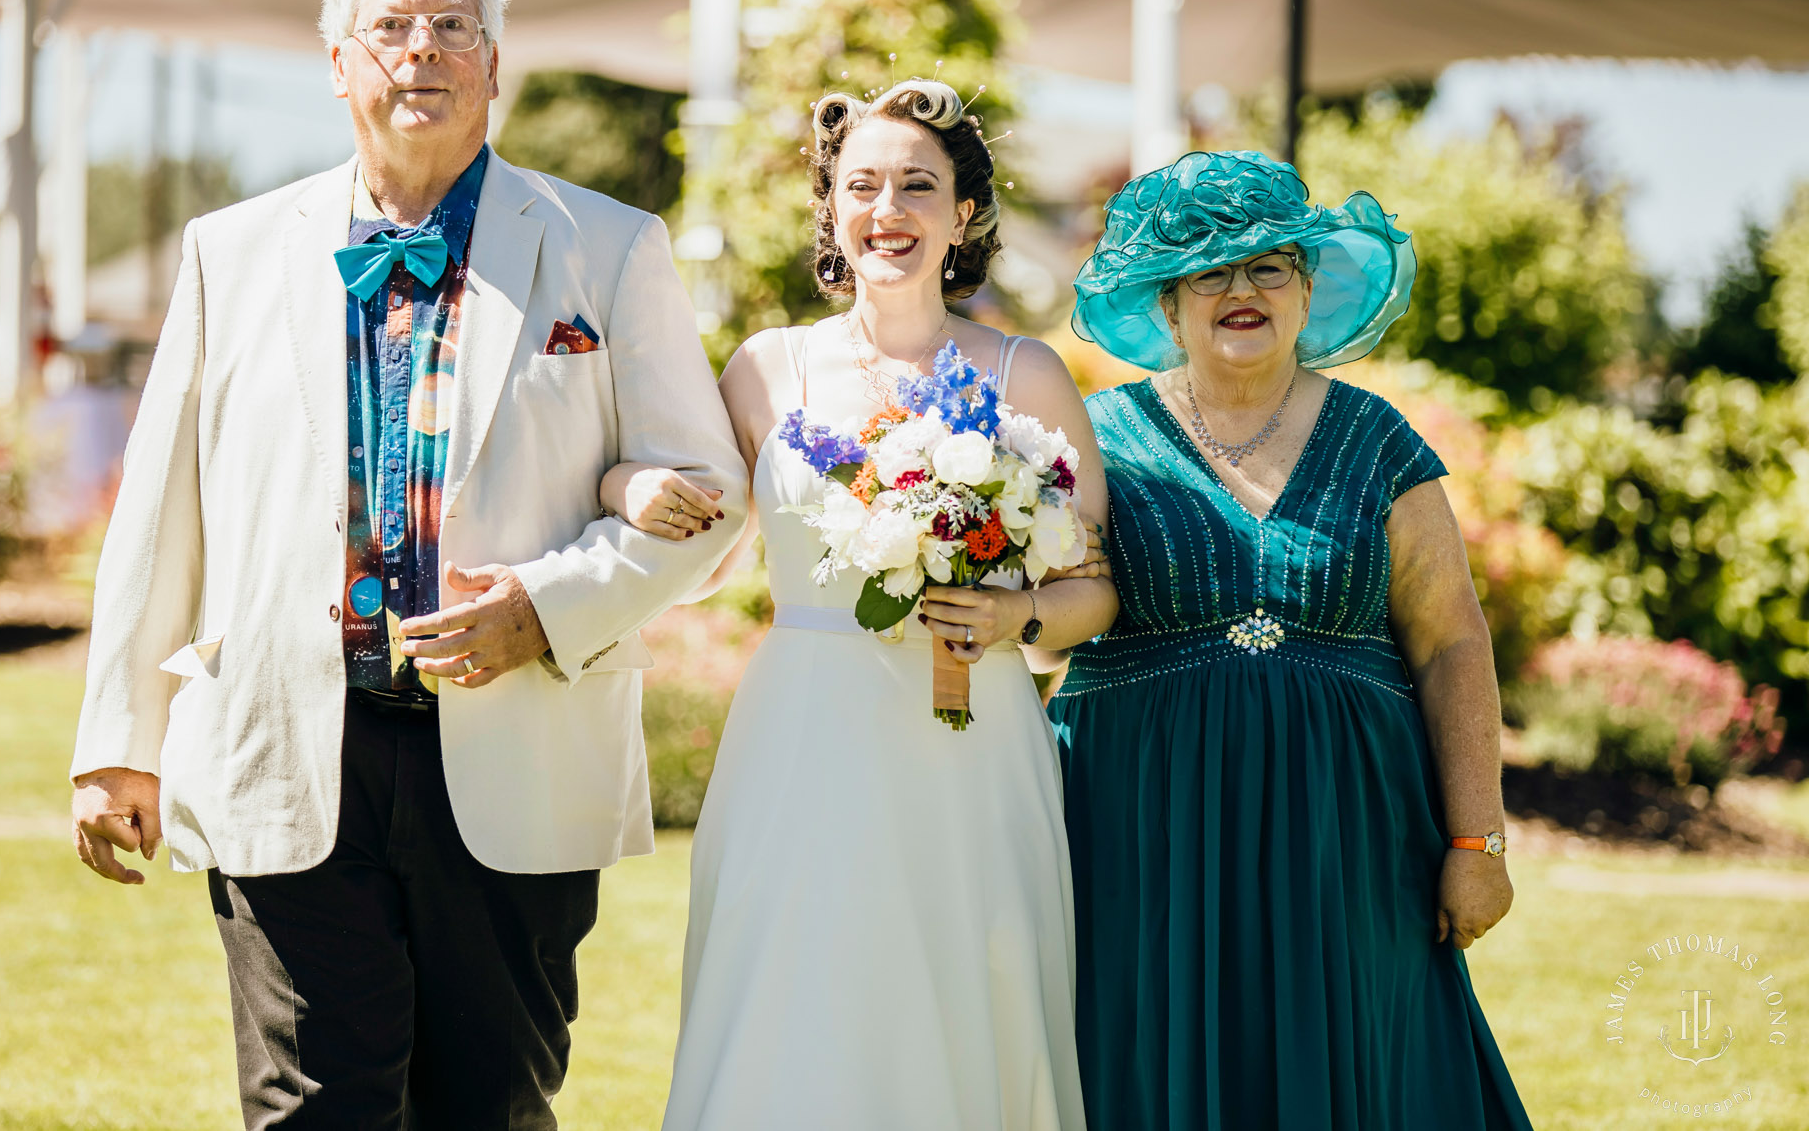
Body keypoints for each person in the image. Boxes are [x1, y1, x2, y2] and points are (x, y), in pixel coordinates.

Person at [67, 0, 746, 1131]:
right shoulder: (230, 253)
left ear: (495, 64)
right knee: (309, 1112)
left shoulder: (608, 246)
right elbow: (160, 512)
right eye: (388, 27)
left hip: (518, 747)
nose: (419, 51)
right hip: (286, 741)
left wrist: (545, 611)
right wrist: (121, 737)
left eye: (450, 27)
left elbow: (707, 496)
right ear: (337, 63)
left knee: (485, 1109)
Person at [602, 80, 1117, 1130]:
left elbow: (1091, 588)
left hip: (971, 741)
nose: (888, 208)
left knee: (969, 983)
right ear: (832, 210)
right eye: (863, 185)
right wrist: (625, 490)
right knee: (798, 990)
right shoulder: (766, 367)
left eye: (917, 186)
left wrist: (1016, 619)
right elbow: (668, 488)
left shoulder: (1027, 375)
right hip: (804, 734)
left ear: (962, 215)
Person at [1047, 150, 1533, 1130]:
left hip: (1347, 839)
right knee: (1142, 1056)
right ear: (1166, 302)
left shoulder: (1377, 439)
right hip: (1138, 829)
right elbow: (1044, 604)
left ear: (1307, 288)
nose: (1240, 288)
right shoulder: (1091, 438)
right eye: (1207, 269)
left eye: (1268, 264)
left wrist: (1474, 837)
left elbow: (1449, 642)